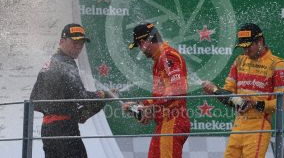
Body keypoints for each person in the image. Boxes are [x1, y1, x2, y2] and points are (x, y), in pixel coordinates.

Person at [202, 23, 284, 158]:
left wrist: (256, 103)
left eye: (248, 46)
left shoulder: (277, 64)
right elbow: (228, 92)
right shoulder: (239, 61)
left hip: (259, 126)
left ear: (260, 41)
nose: (245, 51)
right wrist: (215, 91)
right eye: (242, 47)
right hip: (238, 125)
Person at [30, 23, 115, 158]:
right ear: (61, 41)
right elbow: (82, 98)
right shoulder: (67, 63)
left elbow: (34, 101)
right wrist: (104, 95)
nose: (78, 47)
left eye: (81, 43)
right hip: (64, 129)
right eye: (74, 42)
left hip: (47, 131)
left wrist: (62, 109)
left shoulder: (50, 63)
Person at [123, 23, 190, 158]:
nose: (141, 50)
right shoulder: (160, 59)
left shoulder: (167, 56)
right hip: (164, 122)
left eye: (139, 47)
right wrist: (141, 106)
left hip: (173, 121)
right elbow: (162, 97)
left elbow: (178, 89)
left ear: (143, 43)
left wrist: (151, 109)